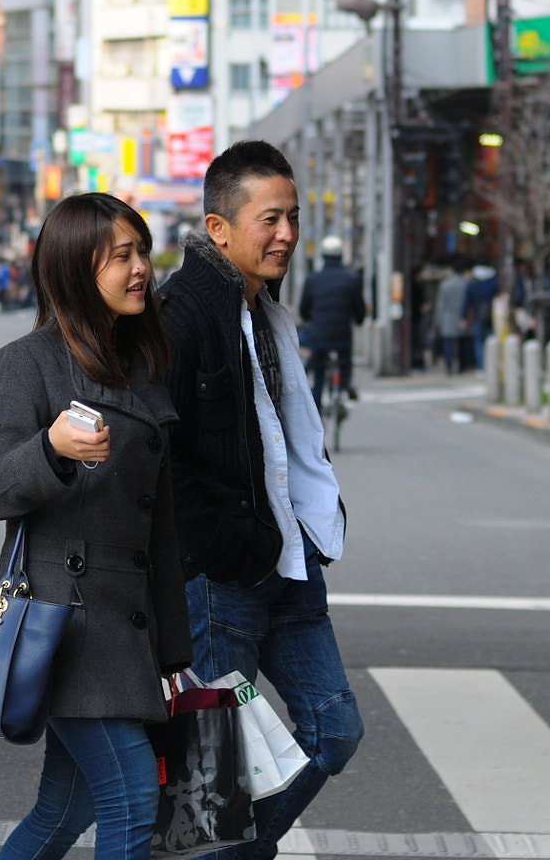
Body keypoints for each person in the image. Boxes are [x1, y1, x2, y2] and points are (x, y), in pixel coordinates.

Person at [0, 193, 185, 860]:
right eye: (121, 256)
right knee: (130, 803)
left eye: (141, 252)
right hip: (65, 627)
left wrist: (174, 652)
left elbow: (161, 531)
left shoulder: (143, 361)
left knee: (64, 810)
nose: (140, 268)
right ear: (71, 270)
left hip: (128, 631)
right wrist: (51, 450)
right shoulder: (27, 362)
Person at [160, 141, 358, 860]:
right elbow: (162, 455)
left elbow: (285, 435)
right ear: (218, 228)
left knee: (334, 731)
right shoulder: (180, 315)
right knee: (215, 777)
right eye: (270, 219)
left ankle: (239, 853)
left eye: (294, 217)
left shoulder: (264, 307)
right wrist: (221, 545)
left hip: (290, 556)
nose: (287, 234)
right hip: (223, 578)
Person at [299, 233, 367, 410]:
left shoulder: (313, 279)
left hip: (320, 334)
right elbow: (359, 308)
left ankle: (317, 410)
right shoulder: (352, 279)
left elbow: (303, 308)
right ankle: (345, 385)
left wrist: (308, 319)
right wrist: (359, 320)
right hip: (342, 334)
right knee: (346, 359)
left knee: (318, 372)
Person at [461, 263, 499, 373]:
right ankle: (492, 366)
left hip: (478, 315)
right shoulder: (494, 281)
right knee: (492, 341)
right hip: (492, 315)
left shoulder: (473, 283)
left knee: (479, 343)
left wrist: (463, 317)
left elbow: (467, 302)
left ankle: (482, 367)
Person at [433, 266, 470, 374]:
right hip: (461, 317)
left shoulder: (445, 285)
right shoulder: (464, 283)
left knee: (448, 343)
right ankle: (462, 365)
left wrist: (438, 320)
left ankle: (448, 365)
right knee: (462, 342)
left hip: (447, 316)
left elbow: (441, 304)